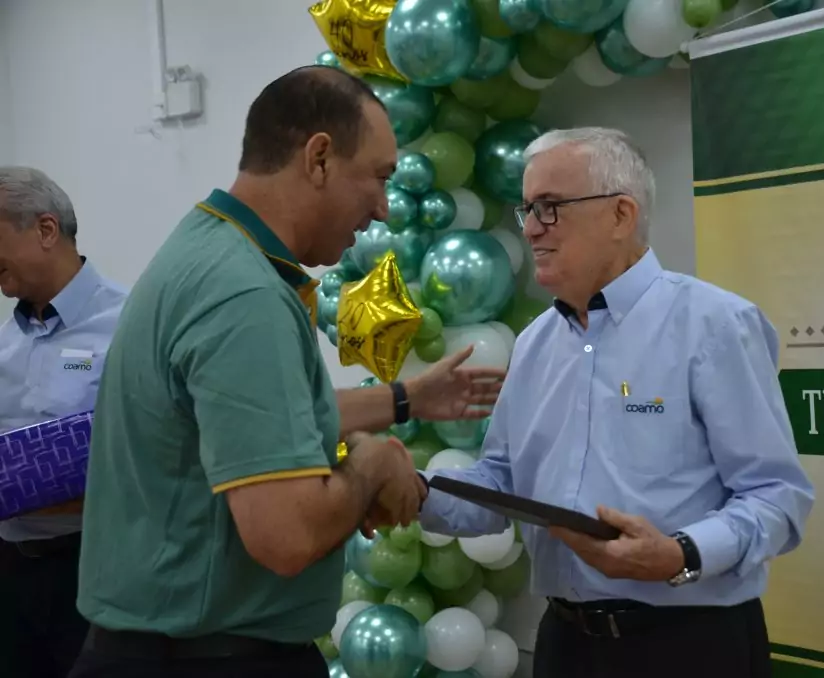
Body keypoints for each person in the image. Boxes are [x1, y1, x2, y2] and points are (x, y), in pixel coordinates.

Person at [70, 66, 503, 678]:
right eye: (377, 178)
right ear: (319, 158)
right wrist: (376, 462)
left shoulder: (208, 251)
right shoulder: (242, 295)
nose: (382, 209)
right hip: (209, 655)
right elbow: (287, 537)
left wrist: (406, 399)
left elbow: (261, 419)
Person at [416, 127, 815, 678]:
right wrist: (416, 493)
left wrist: (681, 554)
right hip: (566, 645)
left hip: (689, 646)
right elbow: (503, 484)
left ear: (621, 214)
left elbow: (777, 497)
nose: (531, 229)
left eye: (550, 207)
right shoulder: (533, 345)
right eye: (527, 209)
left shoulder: (714, 325)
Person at [0, 167, 127, 678]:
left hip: (92, 571)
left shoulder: (130, 325)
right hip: (10, 575)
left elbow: (154, 454)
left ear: (46, 230)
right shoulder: (4, 343)